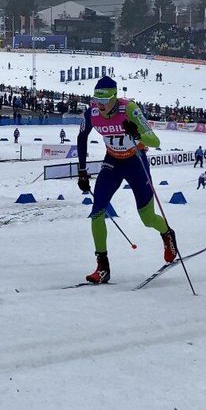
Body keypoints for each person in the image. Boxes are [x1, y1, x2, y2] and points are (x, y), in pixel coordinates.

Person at [77, 76, 177, 284]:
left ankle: (167, 234)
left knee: (147, 218)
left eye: (104, 102)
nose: (100, 107)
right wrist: (82, 171)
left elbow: (155, 141)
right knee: (97, 212)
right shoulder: (92, 113)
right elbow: (81, 137)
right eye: (97, 101)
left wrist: (137, 134)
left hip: (135, 162)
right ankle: (102, 267)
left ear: (115, 98)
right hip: (112, 161)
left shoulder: (129, 109)